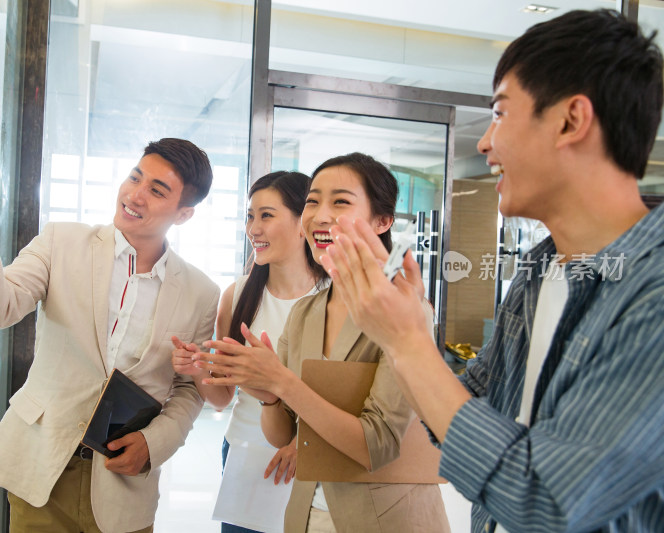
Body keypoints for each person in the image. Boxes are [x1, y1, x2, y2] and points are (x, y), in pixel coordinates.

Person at [320, 9, 664, 533]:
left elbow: (547, 500)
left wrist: (409, 343)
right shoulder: (538, 269)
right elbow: (470, 403)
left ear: (572, 120)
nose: (484, 143)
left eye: (500, 113)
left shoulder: (653, 289)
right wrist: (401, 331)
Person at [0, 138, 220, 533]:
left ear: (184, 214)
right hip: (43, 468)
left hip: (125, 481)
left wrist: (156, 443)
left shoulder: (201, 292)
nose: (135, 195)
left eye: (157, 191)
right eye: (134, 177)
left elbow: (189, 388)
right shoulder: (62, 241)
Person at [195, 153, 449, 533]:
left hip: (381, 520)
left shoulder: (406, 312)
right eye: (313, 201)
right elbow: (284, 434)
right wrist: (265, 391)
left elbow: (375, 444)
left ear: (382, 221)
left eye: (340, 202)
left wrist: (282, 382)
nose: (320, 214)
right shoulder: (307, 312)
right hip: (304, 513)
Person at [172, 171, 327, 532]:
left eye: (267, 215)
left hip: (314, 460)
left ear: (303, 221)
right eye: (250, 216)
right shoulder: (238, 294)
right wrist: (196, 368)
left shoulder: (334, 298)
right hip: (245, 455)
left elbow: (348, 397)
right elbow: (222, 397)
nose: (253, 228)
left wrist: (306, 445)